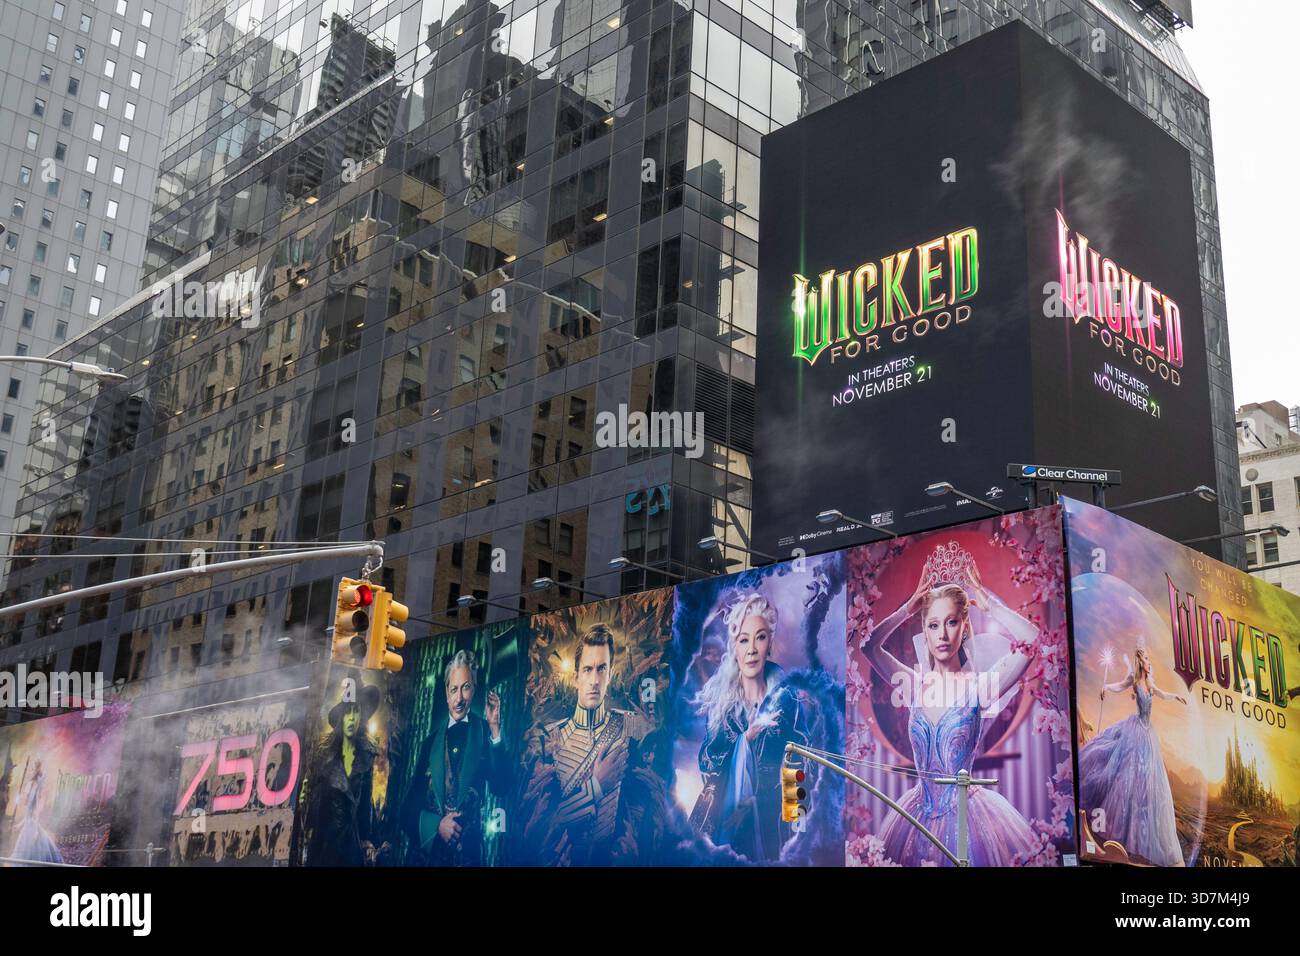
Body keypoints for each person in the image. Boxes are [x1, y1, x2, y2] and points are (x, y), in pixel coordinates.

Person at [860, 542, 1041, 866]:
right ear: (925, 631)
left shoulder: (979, 687)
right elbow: (869, 647)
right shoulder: (913, 685)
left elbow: (1032, 643)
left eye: (951, 622)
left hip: (968, 821)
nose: (942, 634)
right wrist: (907, 609)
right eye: (933, 624)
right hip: (916, 818)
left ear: (964, 626)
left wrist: (989, 605)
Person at [521, 624, 652, 865]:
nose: (594, 680)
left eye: (601, 669)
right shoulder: (548, 737)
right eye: (588, 669)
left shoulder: (632, 727)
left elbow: (644, 810)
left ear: (610, 675)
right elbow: (545, 822)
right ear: (576, 677)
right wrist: (597, 786)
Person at [689, 592, 806, 862]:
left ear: (770, 643)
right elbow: (707, 763)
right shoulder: (723, 706)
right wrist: (745, 740)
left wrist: (767, 806)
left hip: (774, 830)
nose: (752, 649)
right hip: (725, 830)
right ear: (735, 647)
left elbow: (800, 768)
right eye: (744, 640)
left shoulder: (787, 699)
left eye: (760, 637)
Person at [1078, 643, 1187, 867]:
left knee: (1147, 785)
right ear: (1140, 662)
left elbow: (1162, 694)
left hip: (1147, 734)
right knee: (1127, 779)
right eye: (1146, 659)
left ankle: (1139, 838)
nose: (1149, 662)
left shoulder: (1150, 682)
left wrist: (1176, 696)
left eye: (1149, 659)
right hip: (1135, 731)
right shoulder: (1135, 680)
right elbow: (1120, 685)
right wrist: (1106, 687)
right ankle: (1118, 836)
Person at [399, 650, 509, 865]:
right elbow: (406, 811)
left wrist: (495, 728)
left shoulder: (486, 733)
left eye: (465, 688)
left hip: (467, 857)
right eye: (454, 690)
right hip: (427, 859)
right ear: (446, 694)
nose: (459, 699)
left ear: (474, 688)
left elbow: (502, 787)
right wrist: (437, 826)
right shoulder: (429, 743)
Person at [302, 682, 386, 866]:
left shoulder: (366, 757)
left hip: (352, 850)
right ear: (341, 717)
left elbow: (365, 807)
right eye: (348, 711)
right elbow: (313, 807)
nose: (352, 718)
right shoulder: (323, 757)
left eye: (356, 711)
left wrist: (367, 840)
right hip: (324, 848)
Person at [11, 760, 63, 864]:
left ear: (36, 771)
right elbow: (28, 815)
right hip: (28, 826)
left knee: (32, 853)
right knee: (24, 854)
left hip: (32, 826)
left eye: (32, 769)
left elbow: (36, 812)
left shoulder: (37, 787)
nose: (30, 772)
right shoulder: (30, 785)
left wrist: (35, 830)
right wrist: (20, 824)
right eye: (31, 769)